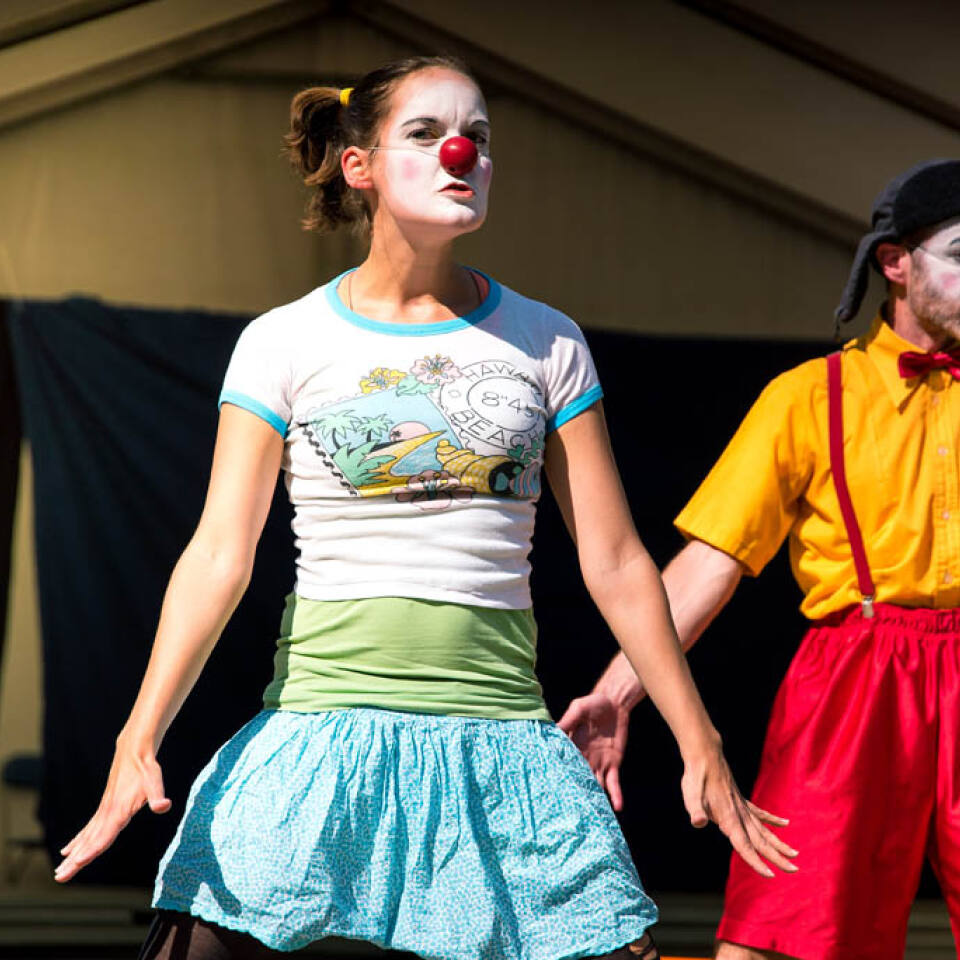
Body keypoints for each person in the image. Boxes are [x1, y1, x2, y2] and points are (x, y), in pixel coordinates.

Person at [52, 56, 793, 960]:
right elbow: (218, 556)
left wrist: (697, 735)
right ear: (359, 165)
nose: (459, 152)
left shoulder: (547, 342)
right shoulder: (284, 341)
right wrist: (138, 737)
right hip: (318, 732)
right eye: (426, 132)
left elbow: (615, 560)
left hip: (500, 741)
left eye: (477, 136)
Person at [559, 158, 960, 960]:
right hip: (858, 674)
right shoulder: (811, 397)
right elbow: (710, 565)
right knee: (787, 923)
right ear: (895, 263)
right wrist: (617, 692)